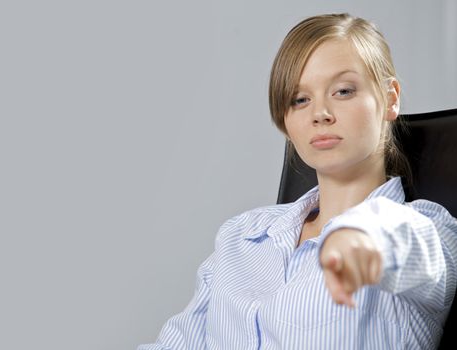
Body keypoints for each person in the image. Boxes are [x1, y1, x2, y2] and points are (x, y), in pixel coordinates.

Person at [138, 13, 457, 349]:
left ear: (391, 98)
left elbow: (409, 242)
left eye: (343, 91)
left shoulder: (430, 228)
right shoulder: (240, 236)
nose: (320, 113)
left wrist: (361, 231)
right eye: (300, 99)